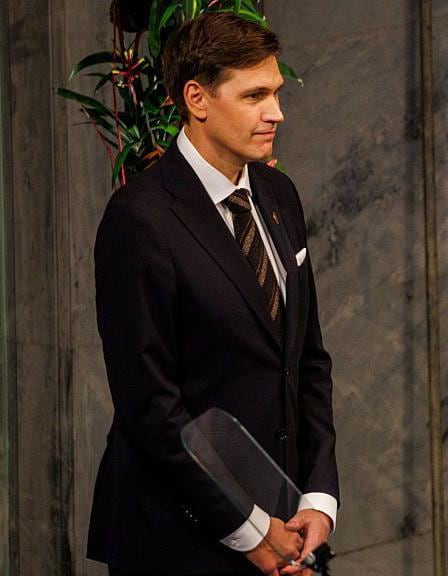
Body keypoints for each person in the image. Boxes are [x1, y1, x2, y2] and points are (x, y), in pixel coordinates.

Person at [89, 13, 338, 576]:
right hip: (180, 540)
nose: (276, 111)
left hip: (290, 526)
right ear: (197, 98)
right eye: (254, 95)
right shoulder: (139, 220)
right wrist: (248, 529)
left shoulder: (278, 193)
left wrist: (318, 496)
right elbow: (149, 405)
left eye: (274, 92)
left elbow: (308, 360)